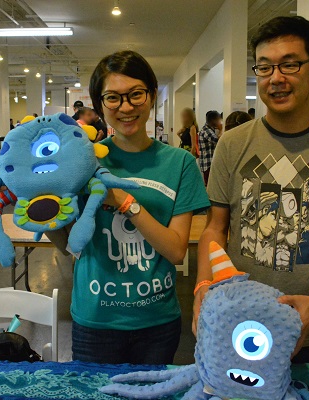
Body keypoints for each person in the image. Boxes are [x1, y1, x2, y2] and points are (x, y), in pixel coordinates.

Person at [193, 16, 309, 364]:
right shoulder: (232, 144)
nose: (276, 78)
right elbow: (215, 227)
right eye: (264, 67)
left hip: (308, 332)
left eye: (290, 64)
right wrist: (202, 286)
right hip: (234, 321)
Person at [61, 50, 210, 365]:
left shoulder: (180, 163)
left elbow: (176, 251)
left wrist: (125, 201)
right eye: (113, 98)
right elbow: (68, 245)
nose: (125, 107)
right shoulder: (84, 160)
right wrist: (43, 215)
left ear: (152, 96)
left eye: (136, 95)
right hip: (94, 320)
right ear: (99, 104)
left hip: (156, 322)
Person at [197, 110, 222, 185]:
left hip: (208, 163)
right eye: (218, 119)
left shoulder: (209, 130)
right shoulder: (207, 131)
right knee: (210, 186)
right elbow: (218, 141)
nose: (219, 122)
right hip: (208, 163)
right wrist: (221, 129)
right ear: (213, 120)